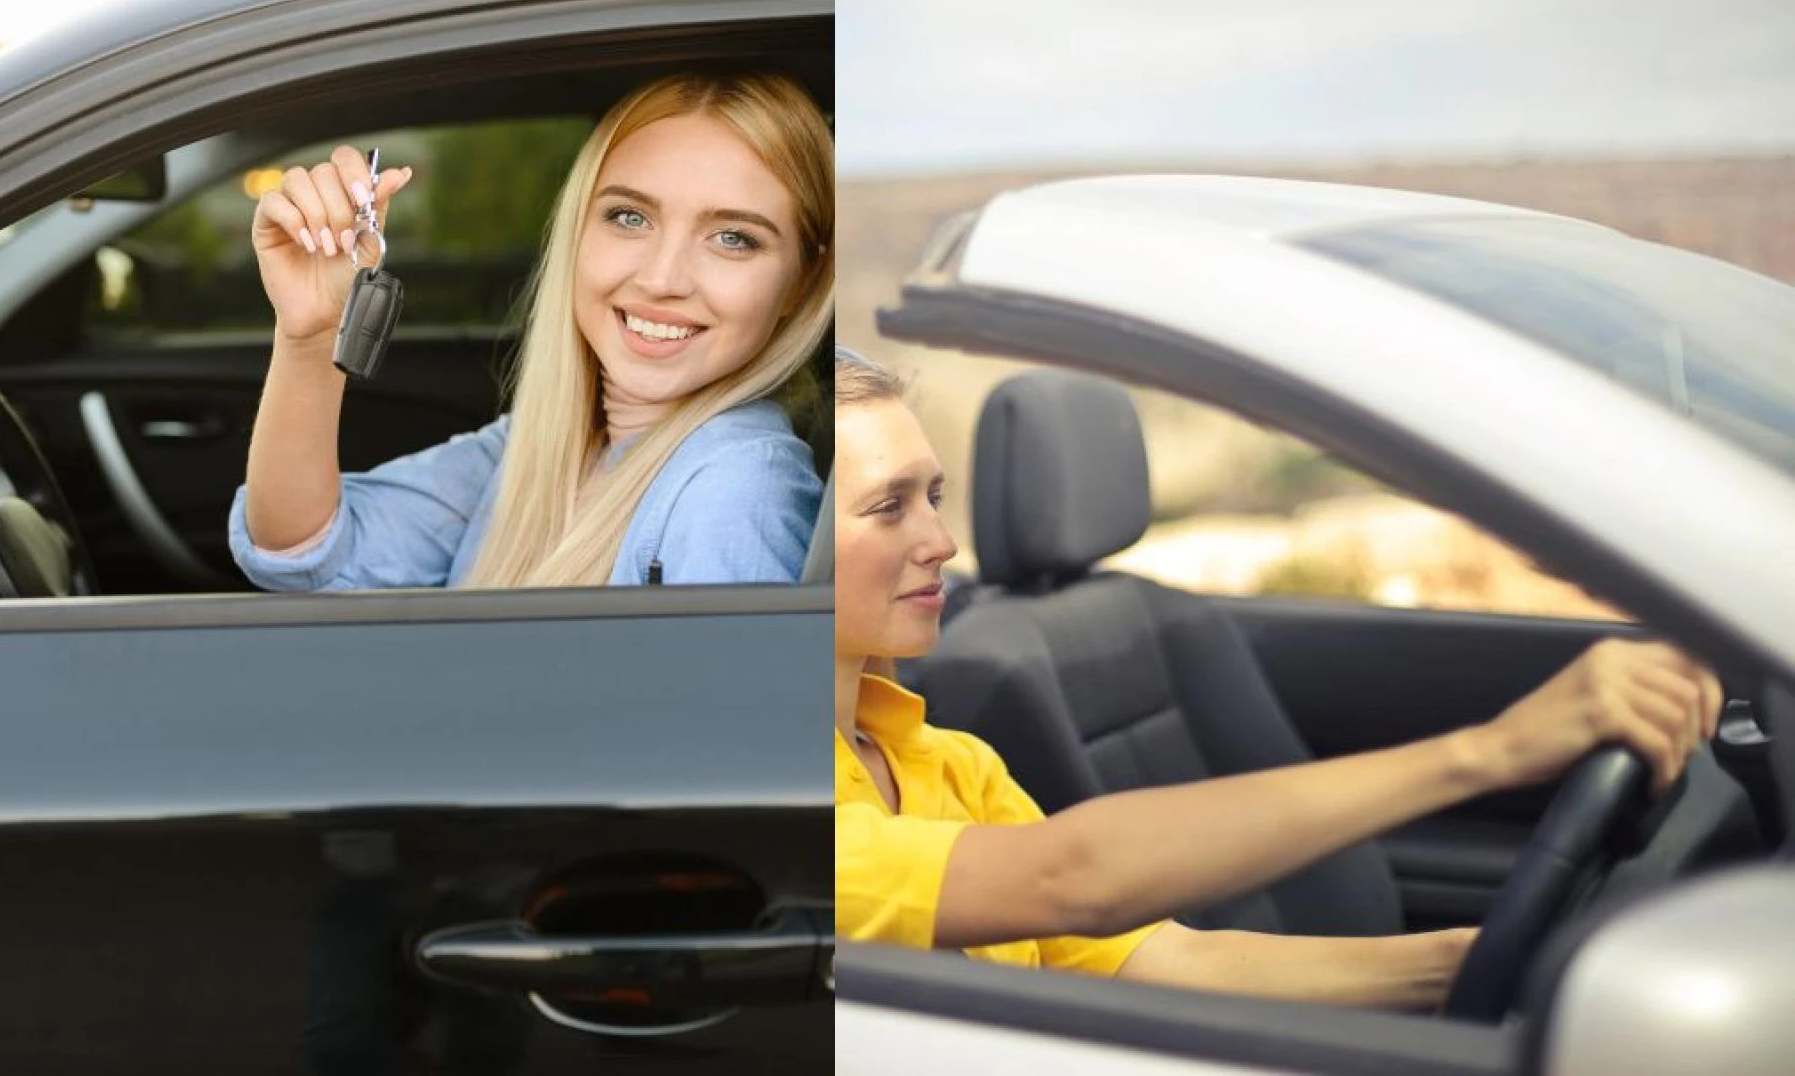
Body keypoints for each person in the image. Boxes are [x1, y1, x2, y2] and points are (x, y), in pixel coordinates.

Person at [831, 346, 1721, 1009]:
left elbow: (1172, 962)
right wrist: (1491, 752)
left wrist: (1482, 962)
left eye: (935, 496)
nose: (940, 543)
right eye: (886, 507)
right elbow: (1074, 876)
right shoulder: (765, 816)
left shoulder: (950, 766)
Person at [227, 73, 831, 590]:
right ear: (577, 229)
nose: (662, 278)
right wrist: (308, 337)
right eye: (629, 217)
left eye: (734, 238)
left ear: (801, 284)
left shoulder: (737, 484)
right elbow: (301, 556)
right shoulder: (548, 443)